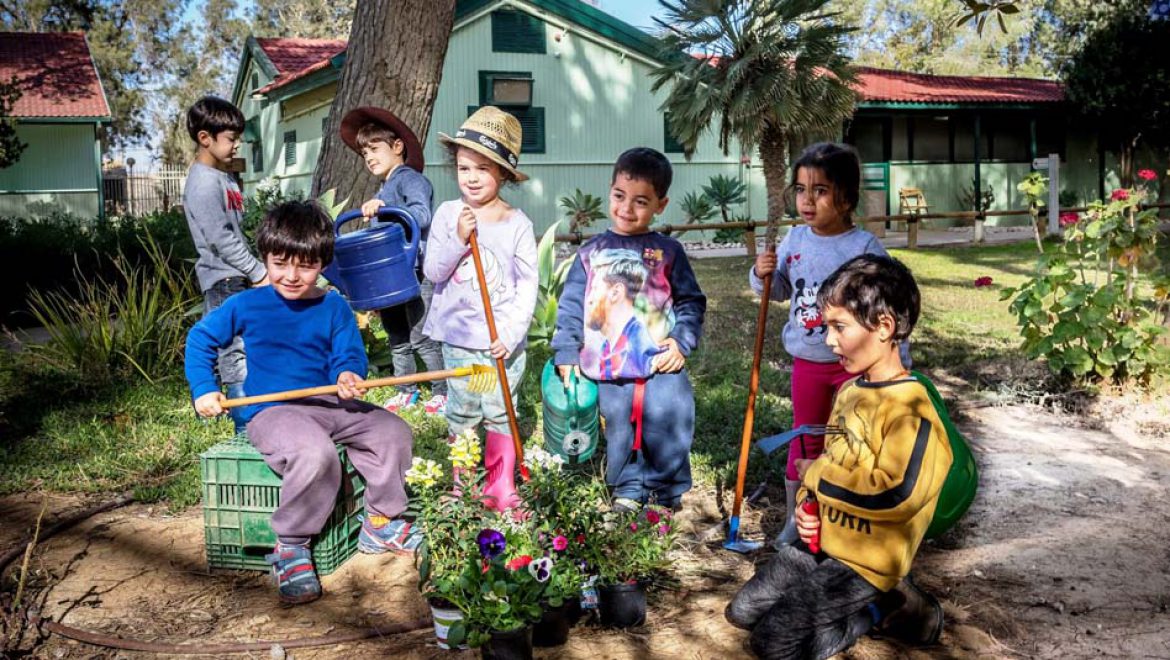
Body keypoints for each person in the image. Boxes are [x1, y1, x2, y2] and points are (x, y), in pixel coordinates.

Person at [185, 201, 418, 605]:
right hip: (273, 411)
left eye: (306, 266)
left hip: (329, 404)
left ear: (324, 264)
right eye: (280, 263)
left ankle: (380, 521)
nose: (292, 276)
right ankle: (290, 545)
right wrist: (205, 388)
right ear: (265, 258)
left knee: (392, 431)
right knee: (314, 453)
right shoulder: (246, 304)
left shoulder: (333, 305)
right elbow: (200, 339)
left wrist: (347, 374)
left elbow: (349, 354)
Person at [726, 254, 952, 659]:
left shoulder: (912, 412)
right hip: (825, 543)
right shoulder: (851, 392)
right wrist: (809, 509)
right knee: (742, 612)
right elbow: (838, 457)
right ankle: (829, 606)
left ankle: (884, 605)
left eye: (839, 327)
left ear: (883, 327)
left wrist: (815, 477)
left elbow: (896, 494)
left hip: (866, 561)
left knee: (773, 643)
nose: (829, 340)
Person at [750, 142, 904, 545]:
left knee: (852, 439)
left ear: (847, 197)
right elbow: (779, 290)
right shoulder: (795, 241)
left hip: (853, 367)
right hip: (808, 363)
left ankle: (843, 516)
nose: (807, 200)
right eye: (800, 189)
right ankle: (796, 518)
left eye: (819, 191)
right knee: (804, 439)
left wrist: (898, 359)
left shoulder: (863, 248)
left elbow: (893, 300)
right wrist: (761, 272)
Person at [552, 147, 707, 512]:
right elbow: (572, 304)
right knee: (619, 427)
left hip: (660, 364)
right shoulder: (590, 253)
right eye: (619, 196)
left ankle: (664, 493)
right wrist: (566, 351)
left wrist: (681, 342)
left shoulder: (668, 251)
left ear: (660, 204)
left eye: (641, 201)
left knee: (670, 422)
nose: (626, 208)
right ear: (610, 191)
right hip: (609, 364)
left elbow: (691, 301)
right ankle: (627, 488)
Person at [422, 106, 538, 513]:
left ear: (503, 173)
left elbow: (527, 287)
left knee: (498, 410)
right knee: (463, 410)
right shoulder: (449, 214)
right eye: (463, 167)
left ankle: (500, 484)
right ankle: (465, 484)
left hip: (496, 346)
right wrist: (458, 237)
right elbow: (433, 270)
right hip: (459, 339)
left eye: (482, 169)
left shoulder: (516, 224)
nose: (470, 177)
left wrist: (509, 334)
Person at [340, 107, 447, 415]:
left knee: (420, 335)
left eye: (374, 149)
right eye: (364, 153)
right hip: (389, 277)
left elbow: (422, 215)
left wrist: (384, 208)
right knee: (397, 336)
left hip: (413, 272)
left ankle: (441, 391)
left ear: (397, 146)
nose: (369, 157)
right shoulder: (384, 188)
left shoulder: (410, 180)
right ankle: (406, 390)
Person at [182, 96, 268, 430]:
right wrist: (258, 271)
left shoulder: (224, 178)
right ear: (206, 138)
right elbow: (220, 238)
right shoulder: (203, 183)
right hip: (223, 280)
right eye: (230, 139)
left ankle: (254, 418)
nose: (236, 145)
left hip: (237, 277)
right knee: (234, 352)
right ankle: (245, 427)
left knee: (245, 348)